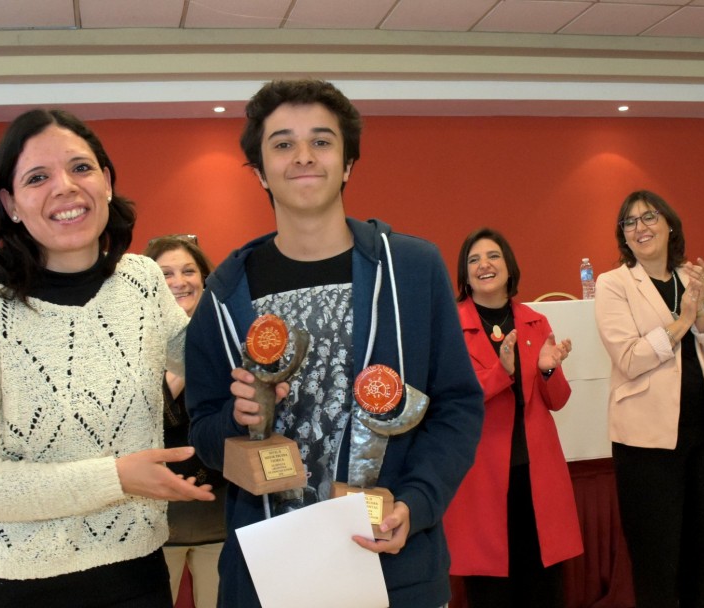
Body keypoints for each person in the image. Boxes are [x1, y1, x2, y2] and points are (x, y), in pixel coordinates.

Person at [184, 79, 484, 608]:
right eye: (282, 144)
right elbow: (204, 436)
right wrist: (238, 418)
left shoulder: (411, 271)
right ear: (259, 171)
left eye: (321, 141)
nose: (303, 156)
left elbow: (457, 406)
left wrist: (416, 503)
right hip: (269, 573)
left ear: (347, 164)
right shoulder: (224, 296)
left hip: (393, 564)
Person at [0, 109, 214, 608]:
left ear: (105, 182)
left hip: (135, 574)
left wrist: (256, 380)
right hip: (15, 585)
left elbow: (205, 367)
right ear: (10, 203)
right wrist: (116, 477)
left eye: (81, 168)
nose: (65, 187)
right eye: (37, 177)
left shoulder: (142, 282)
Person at [594, 190, 704, 608]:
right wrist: (683, 322)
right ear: (623, 236)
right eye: (630, 222)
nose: (640, 228)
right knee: (657, 559)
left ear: (670, 224)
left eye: (649, 217)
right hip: (646, 443)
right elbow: (629, 357)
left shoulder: (695, 276)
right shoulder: (613, 284)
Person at [443, 227, 582, 607]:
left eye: (493, 257)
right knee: (492, 587)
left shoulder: (534, 321)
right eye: (473, 260)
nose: (484, 265)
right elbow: (454, 398)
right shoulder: (451, 326)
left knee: (542, 582)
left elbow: (558, 400)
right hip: (481, 475)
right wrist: (502, 371)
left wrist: (549, 370)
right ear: (464, 274)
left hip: (536, 473)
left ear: (509, 268)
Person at [143, 235, 226, 608]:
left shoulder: (228, 341)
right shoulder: (131, 344)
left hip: (218, 516)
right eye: (166, 274)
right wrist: (182, 364)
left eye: (189, 271)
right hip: (154, 524)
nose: (179, 281)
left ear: (204, 278)